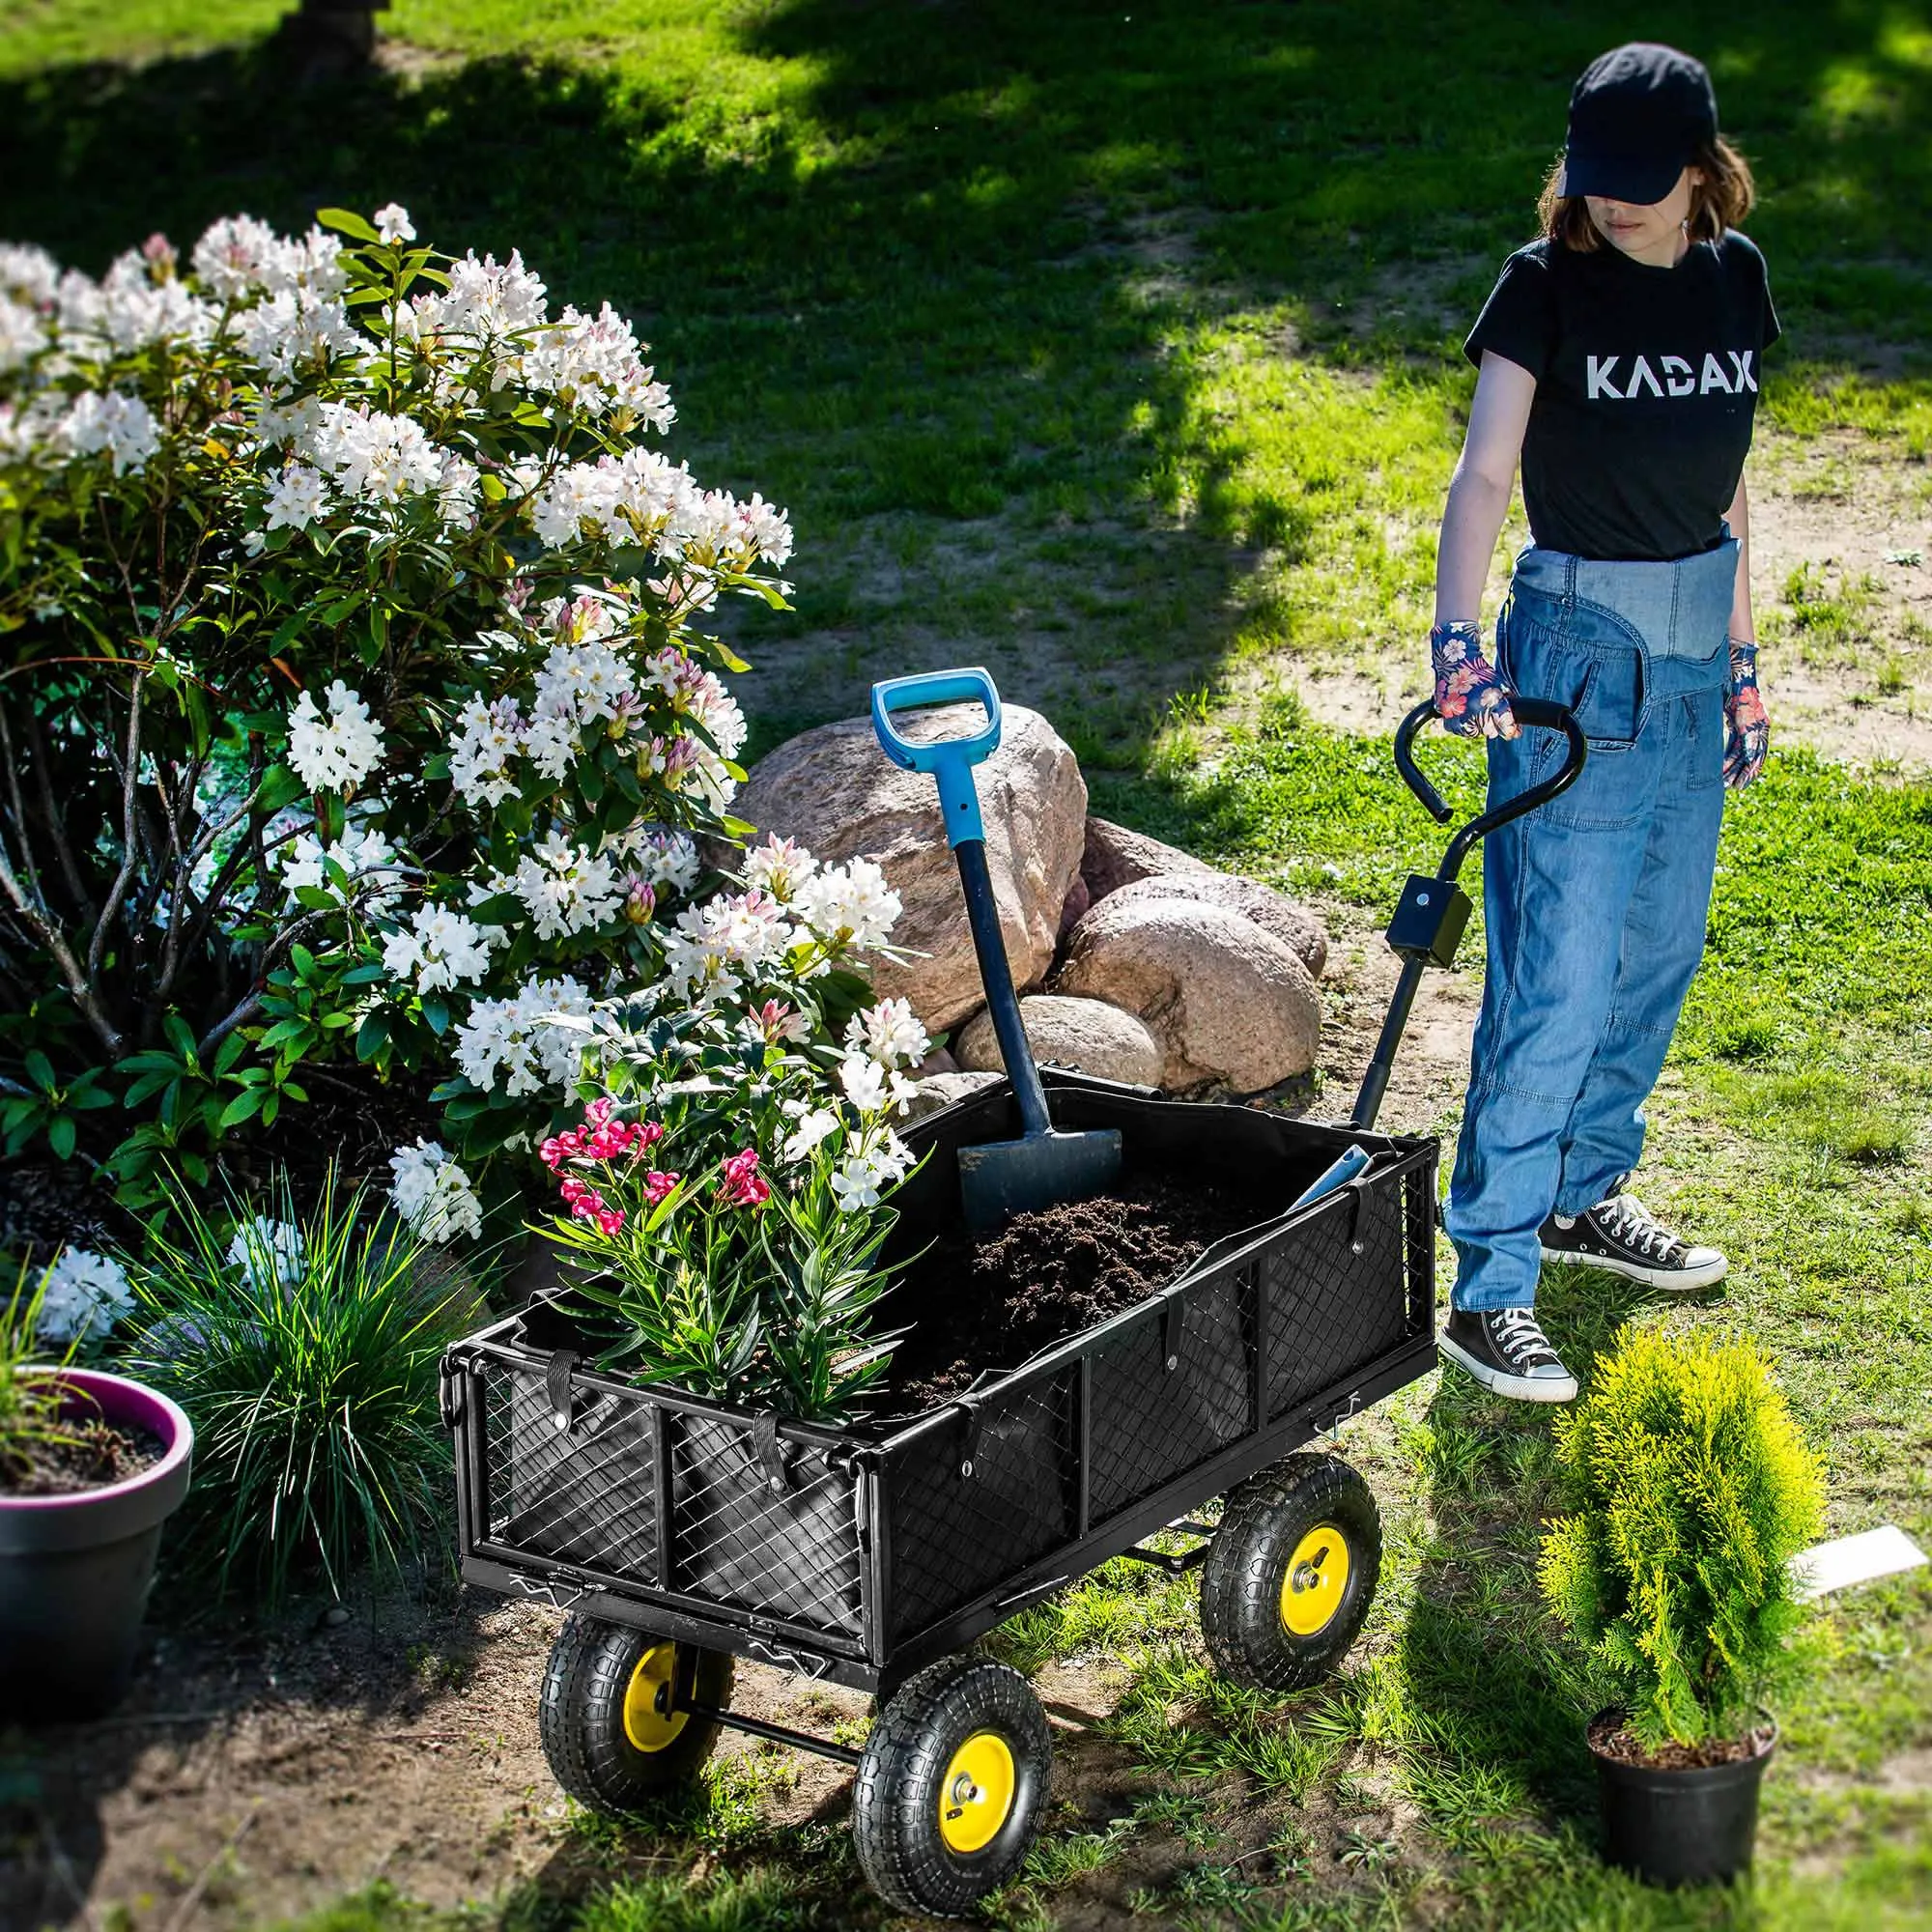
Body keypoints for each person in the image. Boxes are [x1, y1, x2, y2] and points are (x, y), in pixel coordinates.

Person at [1430, 43, 1776, 1403]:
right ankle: (1492, 1281)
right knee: (1556, 977)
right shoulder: (1543, 285)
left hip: (1694, 651)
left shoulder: (1735, 282)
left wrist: (1745, 658)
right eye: (1596, 177)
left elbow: (1732, 485)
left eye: (1643, 182)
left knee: (1654, 956)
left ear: (1703, 170)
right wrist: (1461, 647)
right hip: (1580, 648)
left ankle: (1582, 1197)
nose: (1613, 203)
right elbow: (1482, 476)